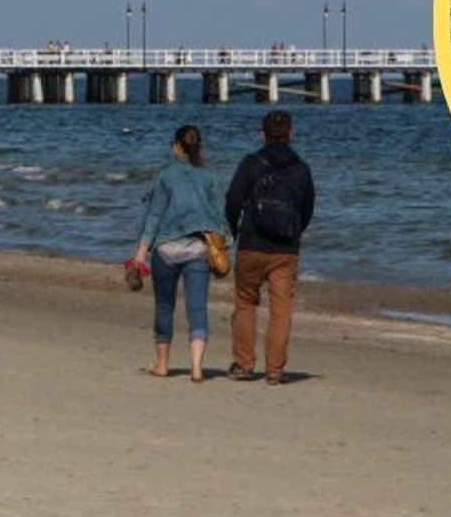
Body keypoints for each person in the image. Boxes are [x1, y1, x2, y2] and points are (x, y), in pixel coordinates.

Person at [224, 110, 315, 385]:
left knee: (245, 303)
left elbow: (232, 200)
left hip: (251, 243)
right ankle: (274, 370)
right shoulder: (301, 168)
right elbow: (307, 208)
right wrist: (294, 233)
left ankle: (244, 364)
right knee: (281, 310)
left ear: (262, 134)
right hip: (285, 249)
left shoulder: (251, 163)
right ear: (291, 133)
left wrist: (235, 230)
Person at [131, 124, 226, 383]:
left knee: (164, 305)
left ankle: (162, 364)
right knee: (197, 308)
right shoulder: (208, 176)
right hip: (197, 249)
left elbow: (154, 214)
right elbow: (218, 215)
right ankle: (196, 368)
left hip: (166, 248)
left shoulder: (165, 176)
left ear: (176, 146)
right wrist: (224, 246)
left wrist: (140, 252)